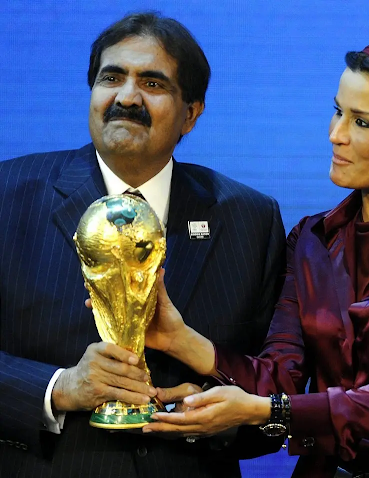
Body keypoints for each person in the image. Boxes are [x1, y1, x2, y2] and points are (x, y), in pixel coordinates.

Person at [140, 22, 369, 478]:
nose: (336, 134)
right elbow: (281, 377)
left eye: (362, 122)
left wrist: (260, 411)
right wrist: (182, 340)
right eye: (337, 112)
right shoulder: (311, 237)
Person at [0, 12, 285, 478]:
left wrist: (219, 417)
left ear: (191, 113)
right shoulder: (8, 195)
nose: (126, 97)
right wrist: (58, 388)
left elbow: (278, 395)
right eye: (111, 78)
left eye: (152, 84)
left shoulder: (249, 219)